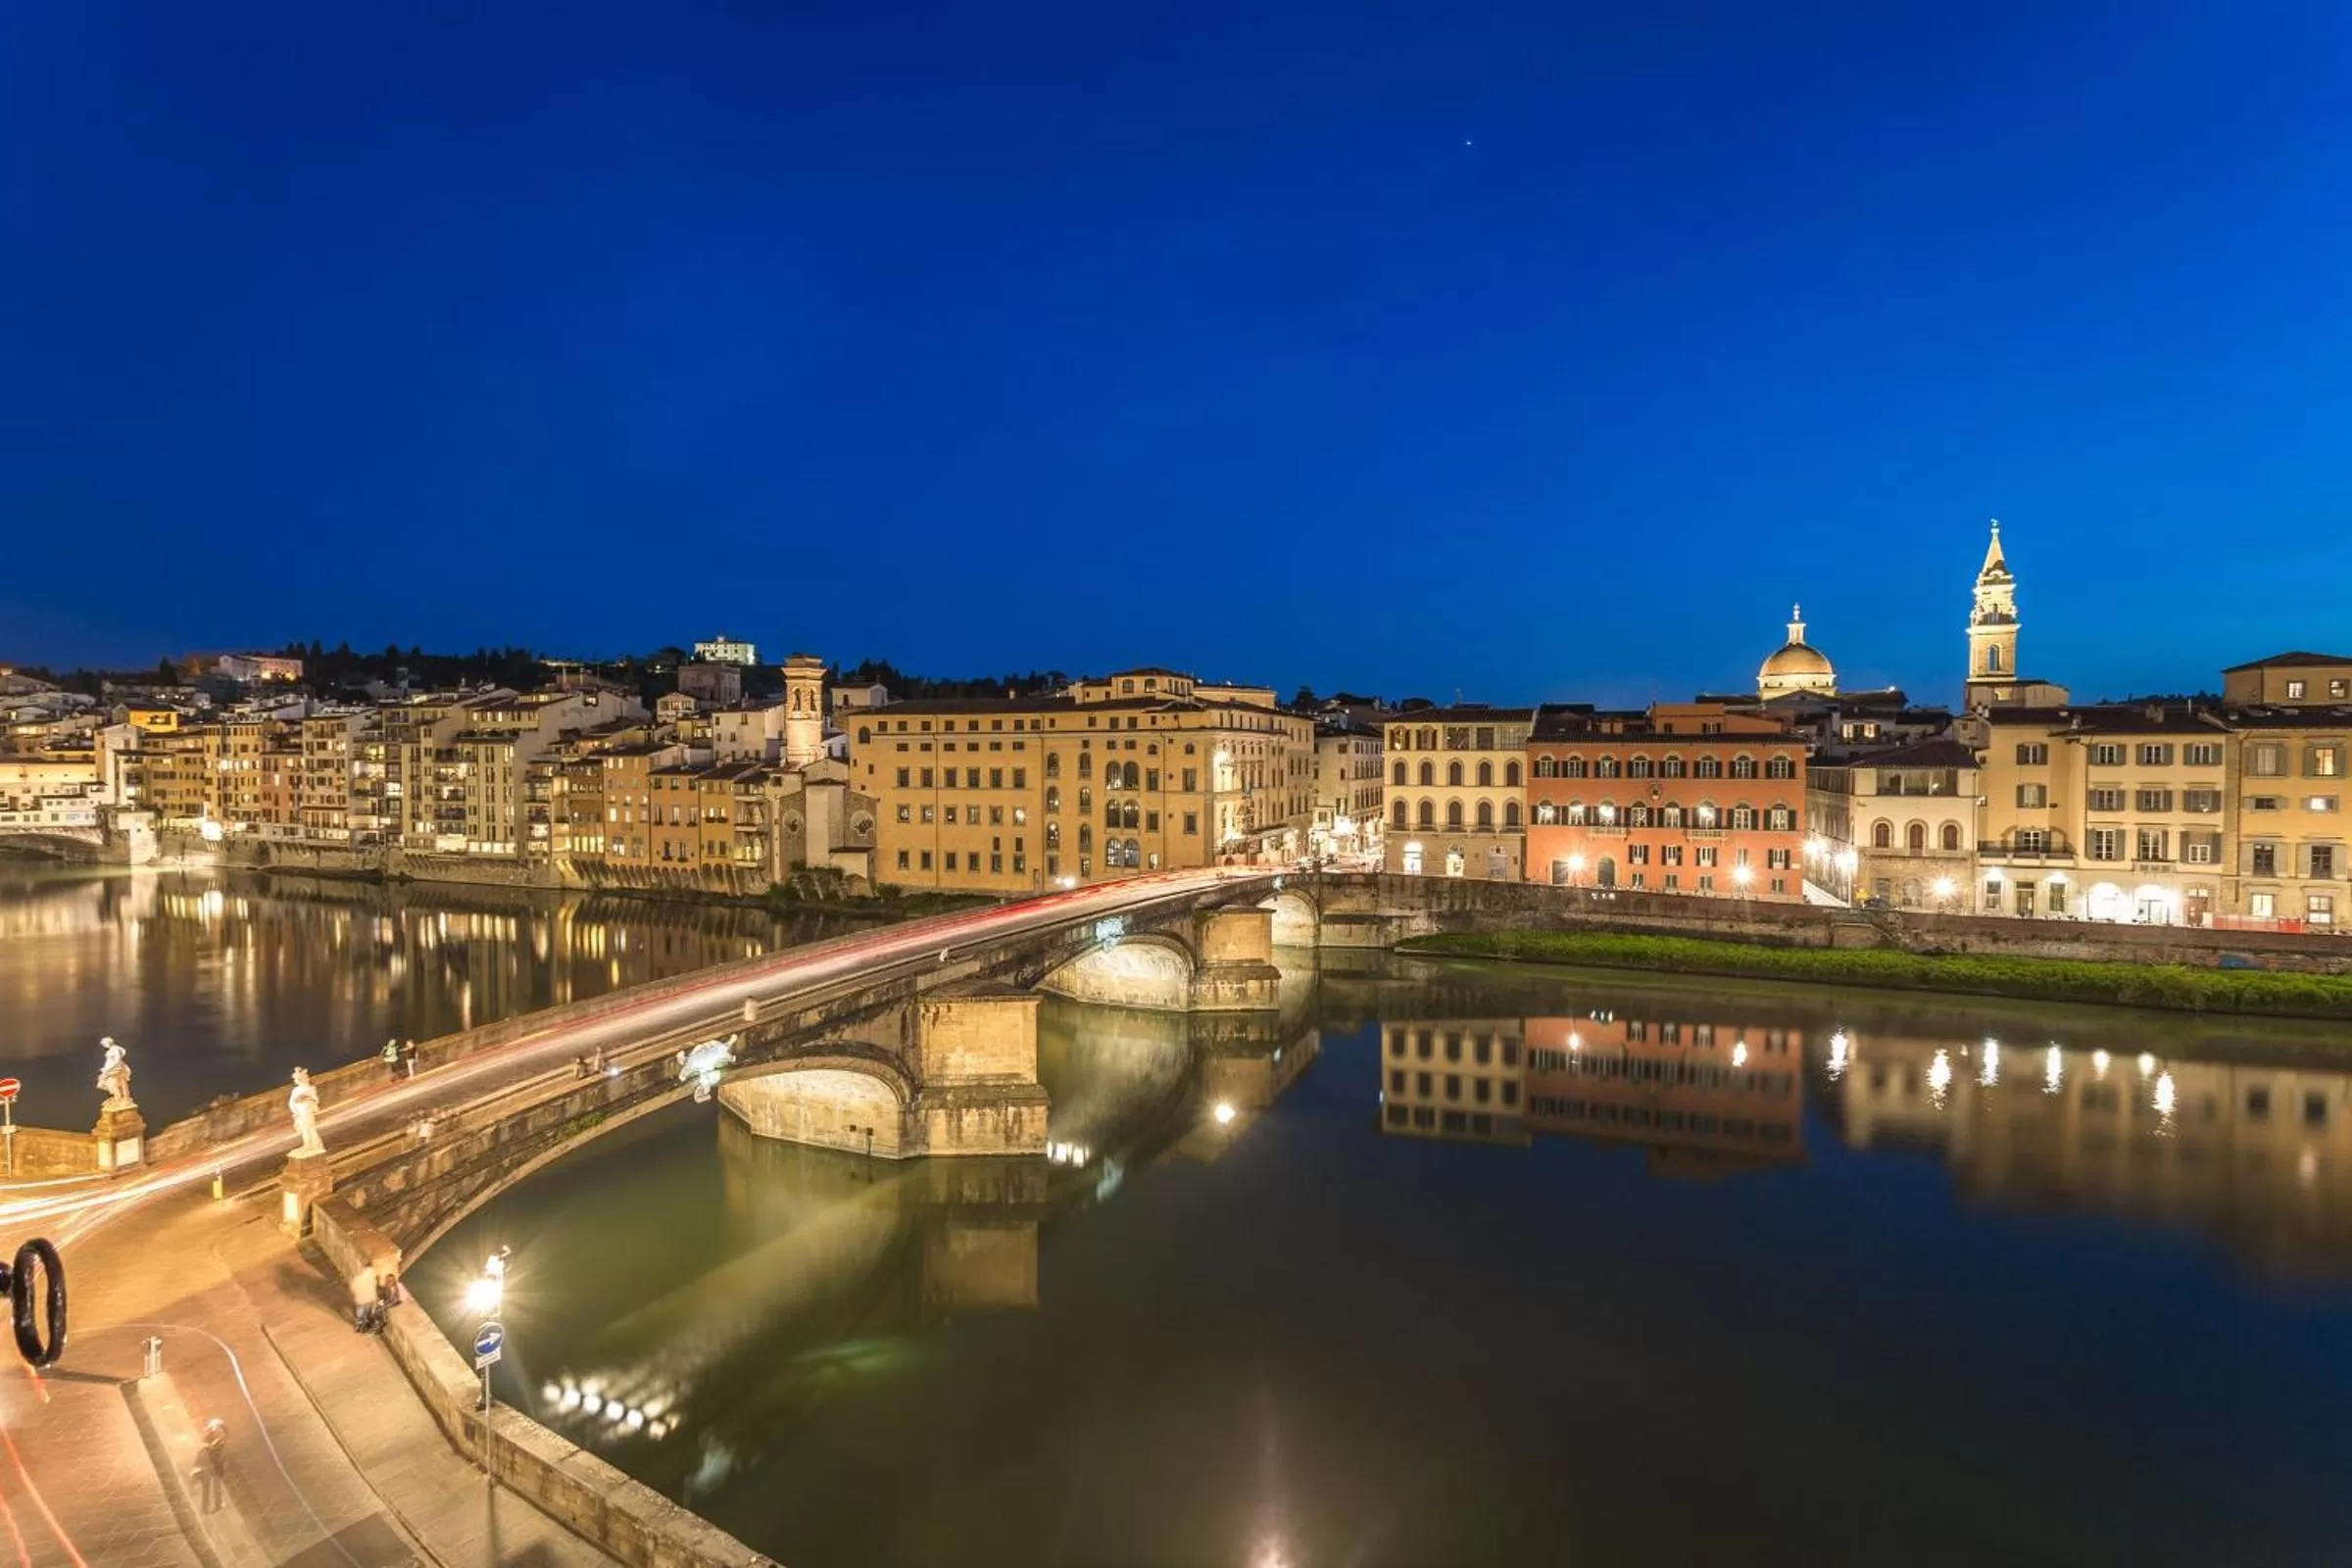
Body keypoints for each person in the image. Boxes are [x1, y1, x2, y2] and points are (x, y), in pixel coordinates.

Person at [191, 1418, 227, 1514]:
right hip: (213, 1464)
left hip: (212, 1464)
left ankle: (209, 1506)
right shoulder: (217, 1437)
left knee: (211, 1486)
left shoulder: (218, 1438)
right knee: (212, 1485)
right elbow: (209, 1444)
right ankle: (212, 1506)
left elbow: (211, 1445)